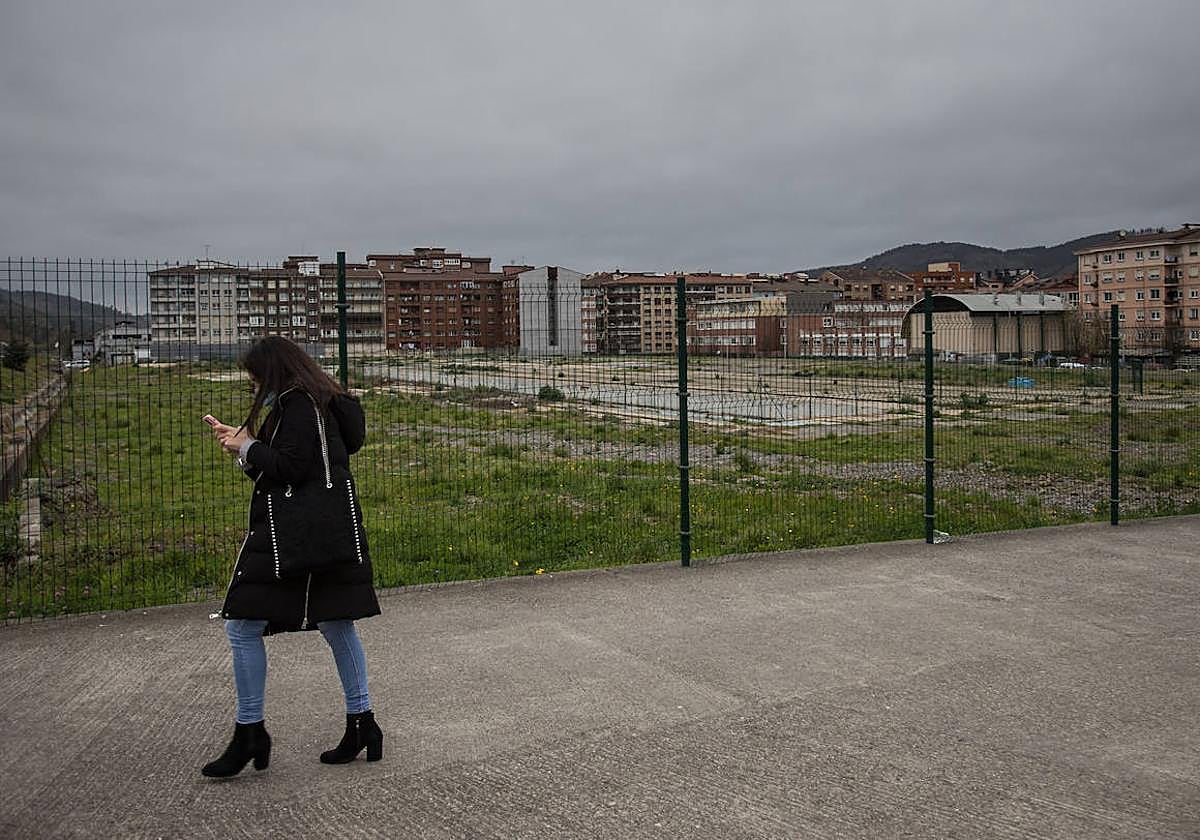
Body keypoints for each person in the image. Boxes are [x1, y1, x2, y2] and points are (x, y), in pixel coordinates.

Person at [201, 335, 382, 778]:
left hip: (296, 539)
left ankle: (250, 733)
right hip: (328, 535)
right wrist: (244, 448)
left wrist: (245, 445)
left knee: (243, 625)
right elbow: (288, 467)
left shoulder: (298, 404)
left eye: (256, 377)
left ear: (273, 371)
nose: (253, 386)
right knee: (337, 622)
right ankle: (363, 725)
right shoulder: (317, 399)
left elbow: (294, 468)